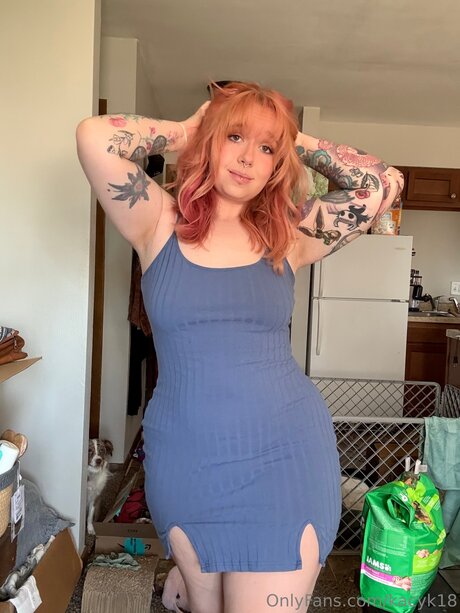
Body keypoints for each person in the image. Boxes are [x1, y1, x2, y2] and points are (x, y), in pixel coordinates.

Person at [76, 81, 403, 613]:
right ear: (211, 141)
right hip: (187, 457)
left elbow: (381, 183)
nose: (249, 157)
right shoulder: (157, 222)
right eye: (235, 137)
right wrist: (189, 129)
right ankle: (188, 588)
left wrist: (292, 138)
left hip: (284, 455)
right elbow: (93, 137)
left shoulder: (289, 234)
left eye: (266, 147)